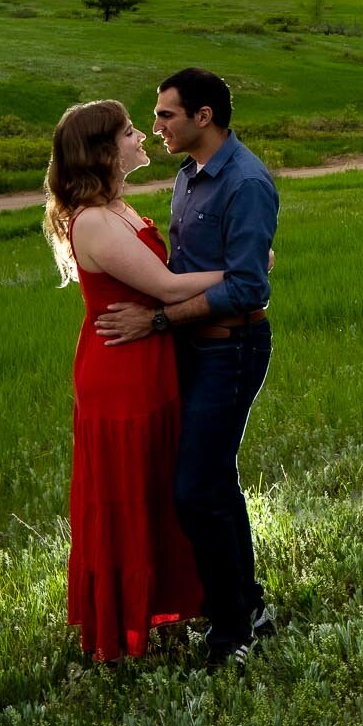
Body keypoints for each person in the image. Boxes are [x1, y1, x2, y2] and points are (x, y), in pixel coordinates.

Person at [95, 66, 278, 667]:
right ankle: (248, 609)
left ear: (204, 117)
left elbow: (249, 288)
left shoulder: (246, 183)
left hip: (230, 348)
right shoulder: (188, 177)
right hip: (193, 351)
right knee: (213, 481)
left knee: (197, 488)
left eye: (166, 115)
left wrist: (157, 322)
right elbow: (182, 269)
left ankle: (233, 629)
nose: (156, 126)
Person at [44, 99, 223, 663]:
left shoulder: (117, 207)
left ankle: (162, 610)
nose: (142, 135)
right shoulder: (94, 221)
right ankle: (124, 627)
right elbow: (170, 289)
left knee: (155, 487)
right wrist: (244, 269)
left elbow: (163, 284)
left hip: (146, 358)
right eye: (128, 131)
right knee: (127, 492)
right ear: (102, 151)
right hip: (119, 369)